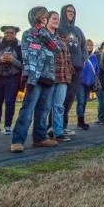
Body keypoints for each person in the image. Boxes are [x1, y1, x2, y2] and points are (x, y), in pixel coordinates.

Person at [10, 7, 56, 152]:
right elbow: (31, 53)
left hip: (48, 76)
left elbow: (56, 48)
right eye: (42, 15)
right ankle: (17, 140)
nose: (45, 17)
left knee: (44, 110)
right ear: (34, 17)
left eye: (46, 15)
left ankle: (40, 138)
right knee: (28, 109)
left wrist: (44, 35)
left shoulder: (49, 35)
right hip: (34, 77)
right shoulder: (28, 34)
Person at [37, 11, 73, 143]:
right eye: (53, 18)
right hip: (49, 76)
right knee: (46, 105)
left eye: (58, 19)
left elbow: (68, 58)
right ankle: (41, 133)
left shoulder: (62, 40)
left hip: (63, 77)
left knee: (59, 105)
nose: (56, 20)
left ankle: (58, 131)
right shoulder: (42, 36)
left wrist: (69, 71)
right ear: (46, 20)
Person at [59, 4, 87, 135]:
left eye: (73, 12)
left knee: (70, 98)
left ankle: (63, 126)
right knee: (60, 98)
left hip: (78, 68)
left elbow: (83, 47)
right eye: (68, 11)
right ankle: (52, 125)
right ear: (63, 12)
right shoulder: (59, 28)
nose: (71, 13)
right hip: (64, 68)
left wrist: (83, 60)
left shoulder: (78, 30)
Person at [77, 39, 98, 130]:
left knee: (85, 102)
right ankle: (80, 122)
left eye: (91, 44)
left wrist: (94, 78)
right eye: (87, 44)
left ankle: (82, 120)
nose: (89, 46)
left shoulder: (94, 57)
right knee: (81, 101)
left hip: (89, 83)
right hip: (80, 82)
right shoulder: (80, 55)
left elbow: (96, 69)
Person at [93, 41, 104, 125]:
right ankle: (102, 119)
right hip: (99, 82)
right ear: (101, 48)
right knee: (102, 101)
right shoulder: (97, 56)